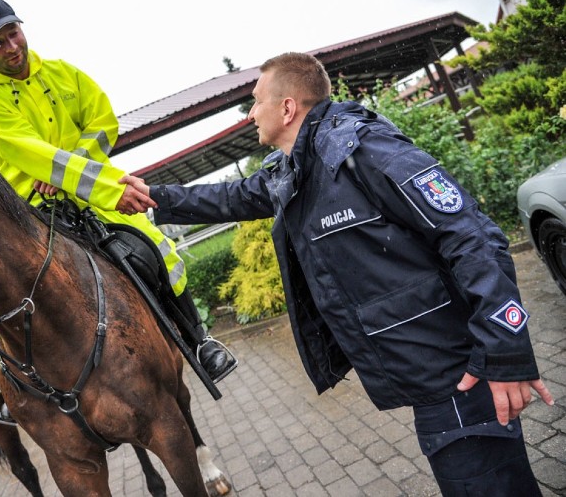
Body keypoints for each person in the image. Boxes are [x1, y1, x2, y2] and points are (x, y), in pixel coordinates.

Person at [119, 52, 555, 495]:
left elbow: (473, 237)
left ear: (287, 108)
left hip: (460, 375)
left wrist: (504, 355)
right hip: (433, 380)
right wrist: (153, 195)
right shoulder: (298, 168)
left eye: (255, 102)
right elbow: (230, 197)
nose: (250, 114)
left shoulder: (362, 149)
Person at [0, 0, 237, 387]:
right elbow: (37, 156)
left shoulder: (63, 73)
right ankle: (29, 384)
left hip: (90, 192)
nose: (12, 47)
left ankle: (199, 341)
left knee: (155, 246)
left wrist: (71, 167)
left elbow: (103, 122)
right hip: (40, 210)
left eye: (14, 33)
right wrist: (78, 180)